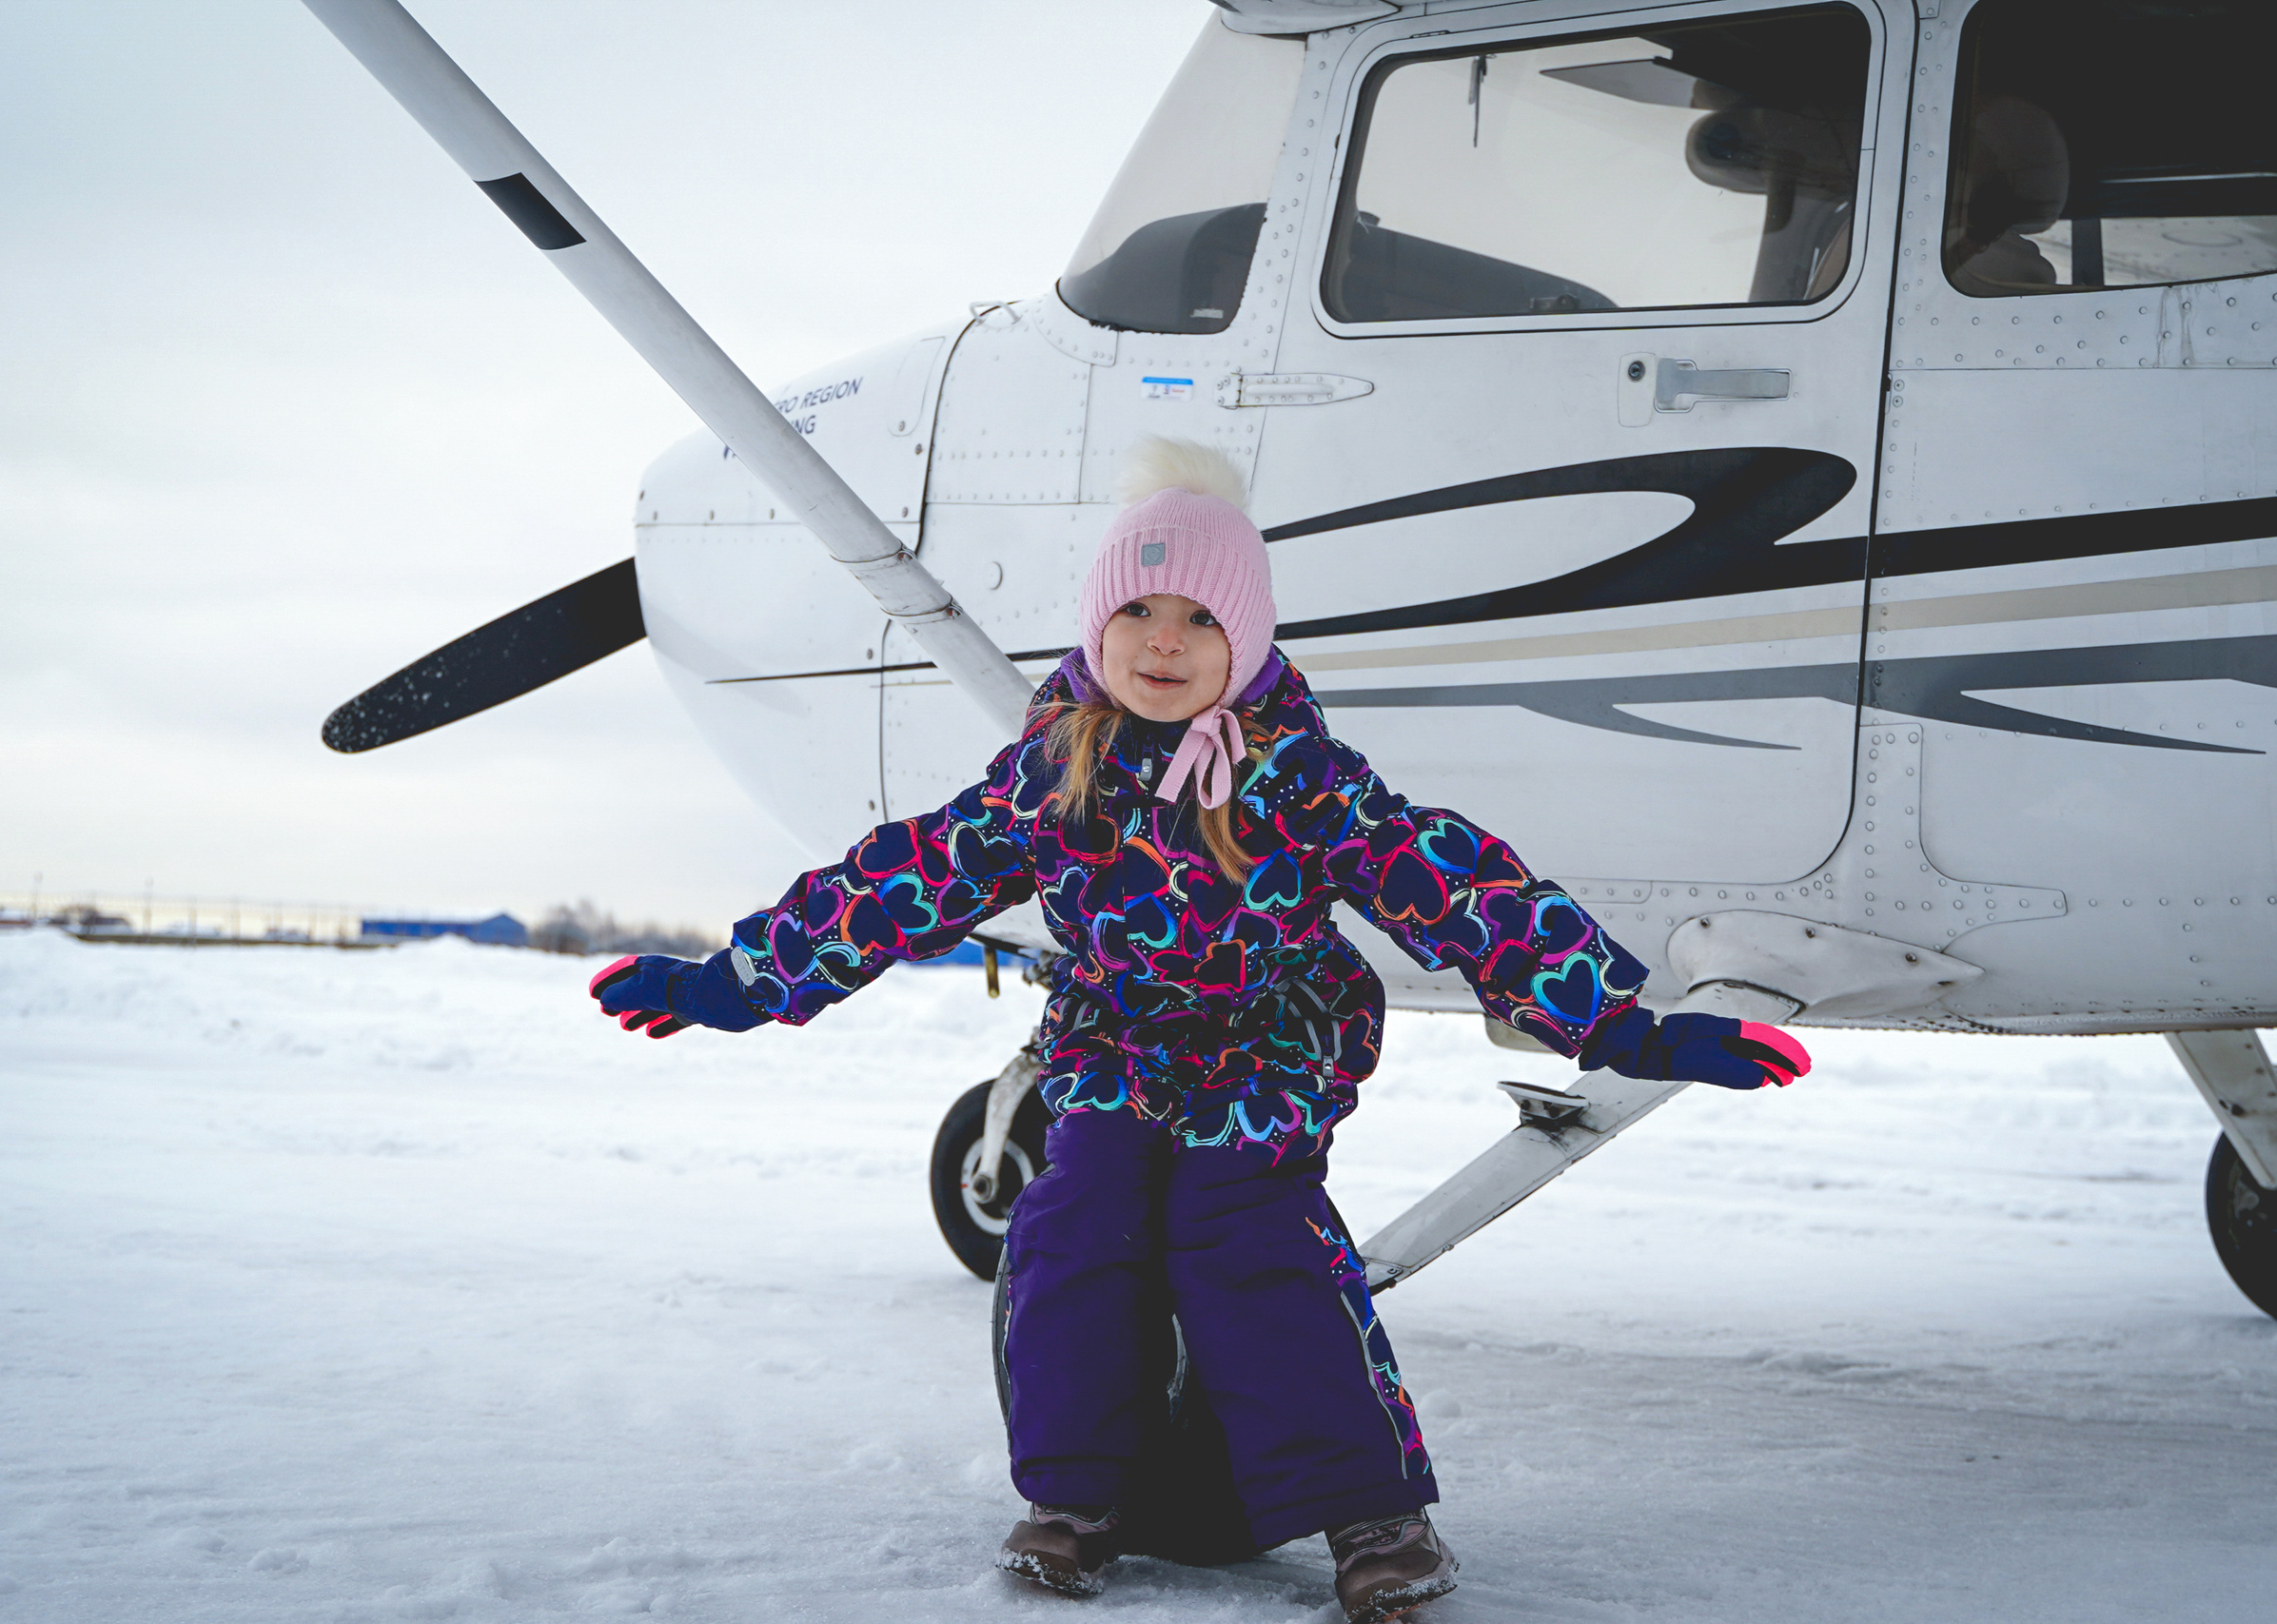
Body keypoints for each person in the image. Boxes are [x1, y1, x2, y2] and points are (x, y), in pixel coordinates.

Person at [586, 438, 1812, 1622]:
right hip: (1116, 1044)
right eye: (1138, 614)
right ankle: (1078, 1498)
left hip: (1269, 1043)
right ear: (1096, 626)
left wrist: (1620, 1022)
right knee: (1073, 1234)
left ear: (1251, 638)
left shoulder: (1299, 774)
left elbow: (1457, 884)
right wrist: (740, 982)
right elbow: (905, 875)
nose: (1164, 645)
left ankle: (1373, 1519)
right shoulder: (1051, 772)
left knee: (1250, 1244)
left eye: (1202, 622)